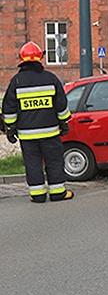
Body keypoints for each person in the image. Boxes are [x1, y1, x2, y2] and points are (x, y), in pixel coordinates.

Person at [1, 42, 74, 202]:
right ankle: (58, 193)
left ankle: (38, 195)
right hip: (51, 132)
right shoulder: (51, 78)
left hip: (27, 136)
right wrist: (64, 124)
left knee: (32, 163)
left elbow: (9, 110)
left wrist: (10, 130)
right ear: (40, 58)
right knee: (54, 161)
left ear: (22, 59)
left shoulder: (17, 81)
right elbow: (61, 106)